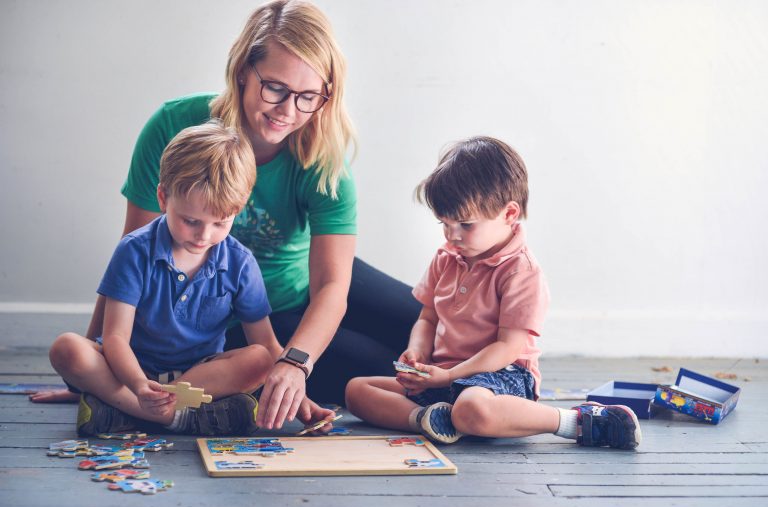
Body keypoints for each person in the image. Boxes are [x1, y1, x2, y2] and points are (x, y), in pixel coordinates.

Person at [33, 0, 421, 424]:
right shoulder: (172, 127)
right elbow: (133, 253)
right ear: (242, 71)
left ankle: (497, 385)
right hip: (229, 313)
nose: (288, 111)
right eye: (275, 88)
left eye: (308, 96)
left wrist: (296, 363)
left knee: (429, 332)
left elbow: (332, 285)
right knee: (384, 369)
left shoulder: (323, 159)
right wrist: (92, 371)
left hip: (304, 279)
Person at [345, 137, 642, 450]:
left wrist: (450, 377)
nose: (452, 235)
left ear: (509, 214)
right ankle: (428, 418)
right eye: (444, 223)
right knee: (357, 390)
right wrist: (417, 352)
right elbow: (428, 317)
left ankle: (577, 422)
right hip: (445, 375)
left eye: (465, 224)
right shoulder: (446, 257)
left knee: (473, 408)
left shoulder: (520, 270)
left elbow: (508, 347)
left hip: (500, 375)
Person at [50, 120, 331, 436]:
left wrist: (297, 394)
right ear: (163, 198)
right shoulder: (134, 250)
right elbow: (115, 337)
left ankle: (128, 410)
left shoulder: (240, 262)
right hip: (130, 369)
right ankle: (162, 414)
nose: (204, 235)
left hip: (198, 376)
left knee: (263, 360)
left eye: (220, 223)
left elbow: (265, 344)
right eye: (190, 221)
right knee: (67, 348)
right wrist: (139, 385)